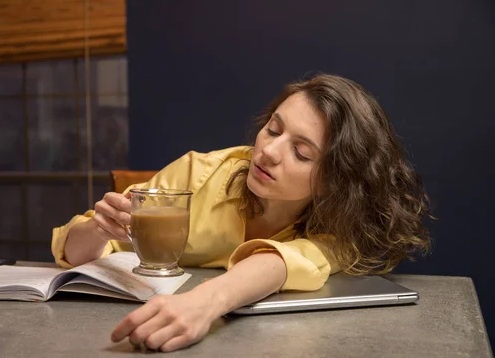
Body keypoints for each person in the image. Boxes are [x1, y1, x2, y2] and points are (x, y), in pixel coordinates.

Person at [51, 73, 432, 352]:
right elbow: (80, 252)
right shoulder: (196, 173)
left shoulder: (342, 223)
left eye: (301, 153)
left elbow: (282, 262)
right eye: (273, 129)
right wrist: (98, 230)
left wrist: (204, 303)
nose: (268, 152)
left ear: (334, 182)